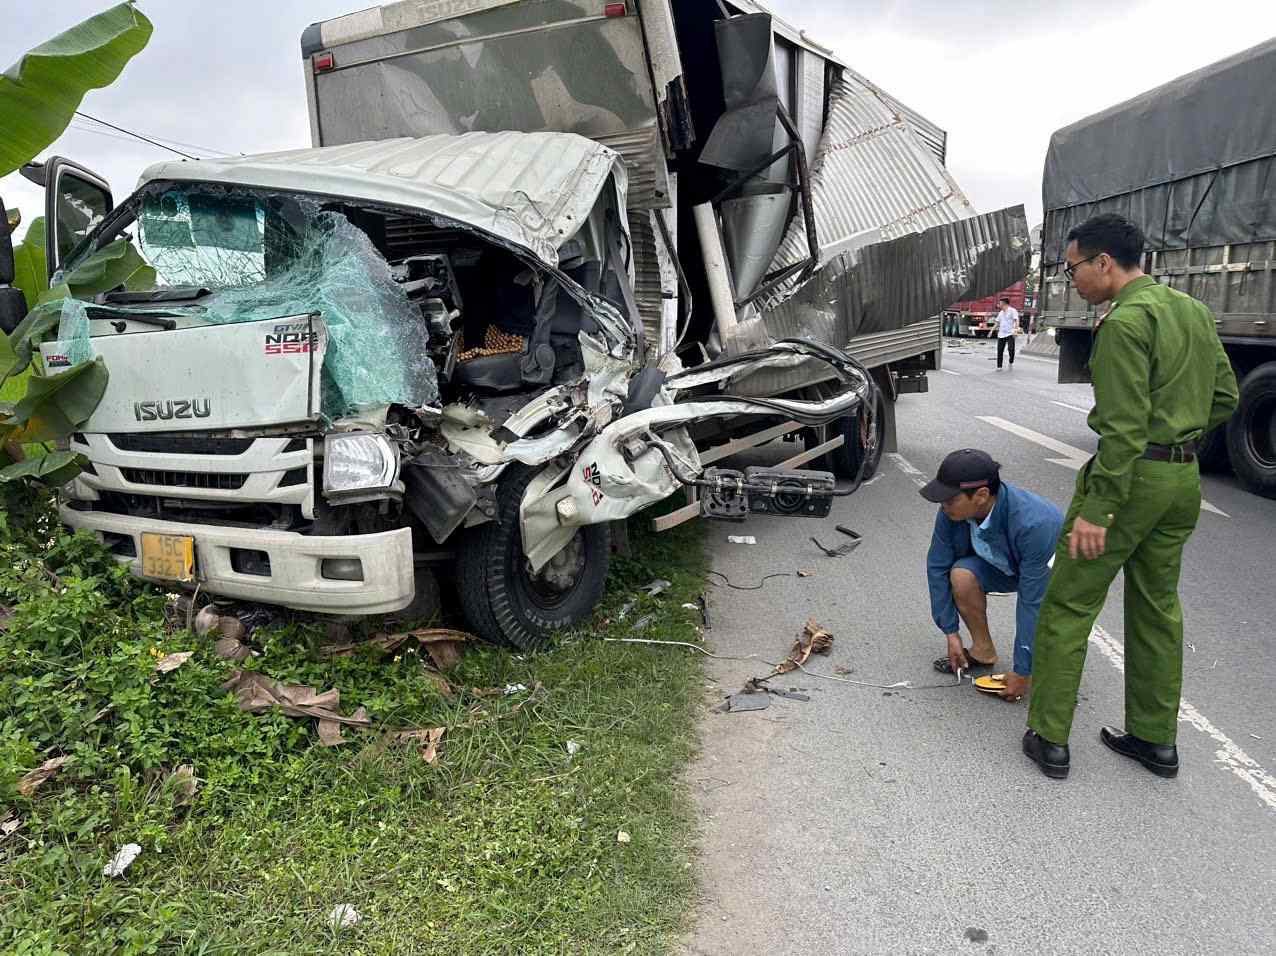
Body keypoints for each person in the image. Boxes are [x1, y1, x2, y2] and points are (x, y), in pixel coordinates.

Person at [1022, 214, 1239, 781]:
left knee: (1069, 604)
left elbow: (1121, 430)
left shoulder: (1122, 324)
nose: (1072, 281)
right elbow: (1225, 395)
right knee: (1158, 610)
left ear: (1103, 263)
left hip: (1129, 484)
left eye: (1073, 269)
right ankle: (1155, 740)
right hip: (1180, 484)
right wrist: (1181, 432)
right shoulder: (1190, 310)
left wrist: (1098, 510)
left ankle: (1049, 738)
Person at [922, 449, 1064, 702]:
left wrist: (1022, 671)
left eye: (949, 500)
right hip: (1002, 563)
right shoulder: (951, 512)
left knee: (1050, 626)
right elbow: (937, 566)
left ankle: (1043, 671)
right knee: (961, 575)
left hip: (1051, 570)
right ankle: (983, 651)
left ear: (981, 495)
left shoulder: (1037, 524)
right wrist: (950, 632)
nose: (943, 506)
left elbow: (1032, 602)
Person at [995, 296, 1019, 368]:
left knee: (1011, 349)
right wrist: (991, 330)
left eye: (1000, 303)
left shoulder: (1013, 311)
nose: (999, 304)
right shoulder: (1001, 312)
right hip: (1001, 334)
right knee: (1000, 350)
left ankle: (1011, 360)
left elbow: (1016, 320)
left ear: (1004, 303)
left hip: (1010, 333)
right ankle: (999, 366)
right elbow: (997, 322)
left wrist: (1015, 330)